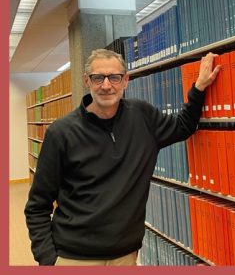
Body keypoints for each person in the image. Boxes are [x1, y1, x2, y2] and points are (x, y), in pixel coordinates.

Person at [24, 48, 221, 266]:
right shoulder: (61, 133)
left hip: (126, 256)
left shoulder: (143, 116)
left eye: (114, 77)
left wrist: (200, 87)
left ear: (125, 81)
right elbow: (37, 205)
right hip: (74, 257)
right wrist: (48, 260)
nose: (106, 85)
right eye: (98, 78)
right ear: (87, 81)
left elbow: (183, 126)